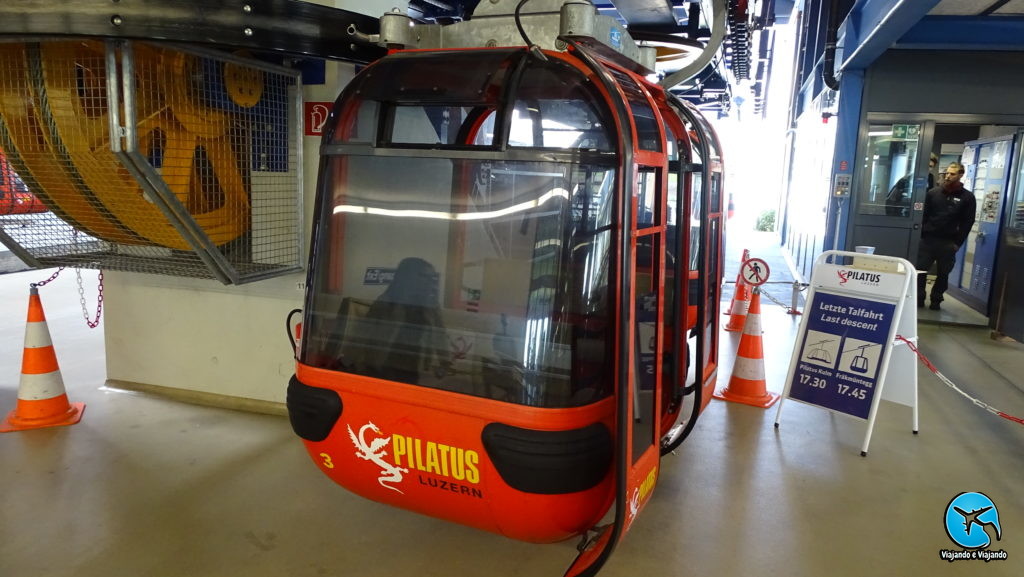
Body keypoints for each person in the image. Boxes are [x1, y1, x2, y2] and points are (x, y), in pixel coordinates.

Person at [364, 257, 451, 383]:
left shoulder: (430, 305)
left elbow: (439, 334)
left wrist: (445, 361)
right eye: (423, 276)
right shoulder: (387, 302)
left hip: (414, 367)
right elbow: (364, 333)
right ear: (407, 277)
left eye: (431, 278)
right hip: (384, 366)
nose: (428, 282)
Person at [916, 161, 976, 310]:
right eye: (947, 173)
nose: (948, 176)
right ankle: (918, 298)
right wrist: (922, 234)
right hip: (928, 240)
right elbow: (923, 215)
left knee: (943, 274)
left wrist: (957, 243)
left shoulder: (967, 198)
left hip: (948, 242)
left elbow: (967, 222)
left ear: (961, 175)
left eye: (952, 174)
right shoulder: (933, 193)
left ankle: (936, 300)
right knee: (920, 271)